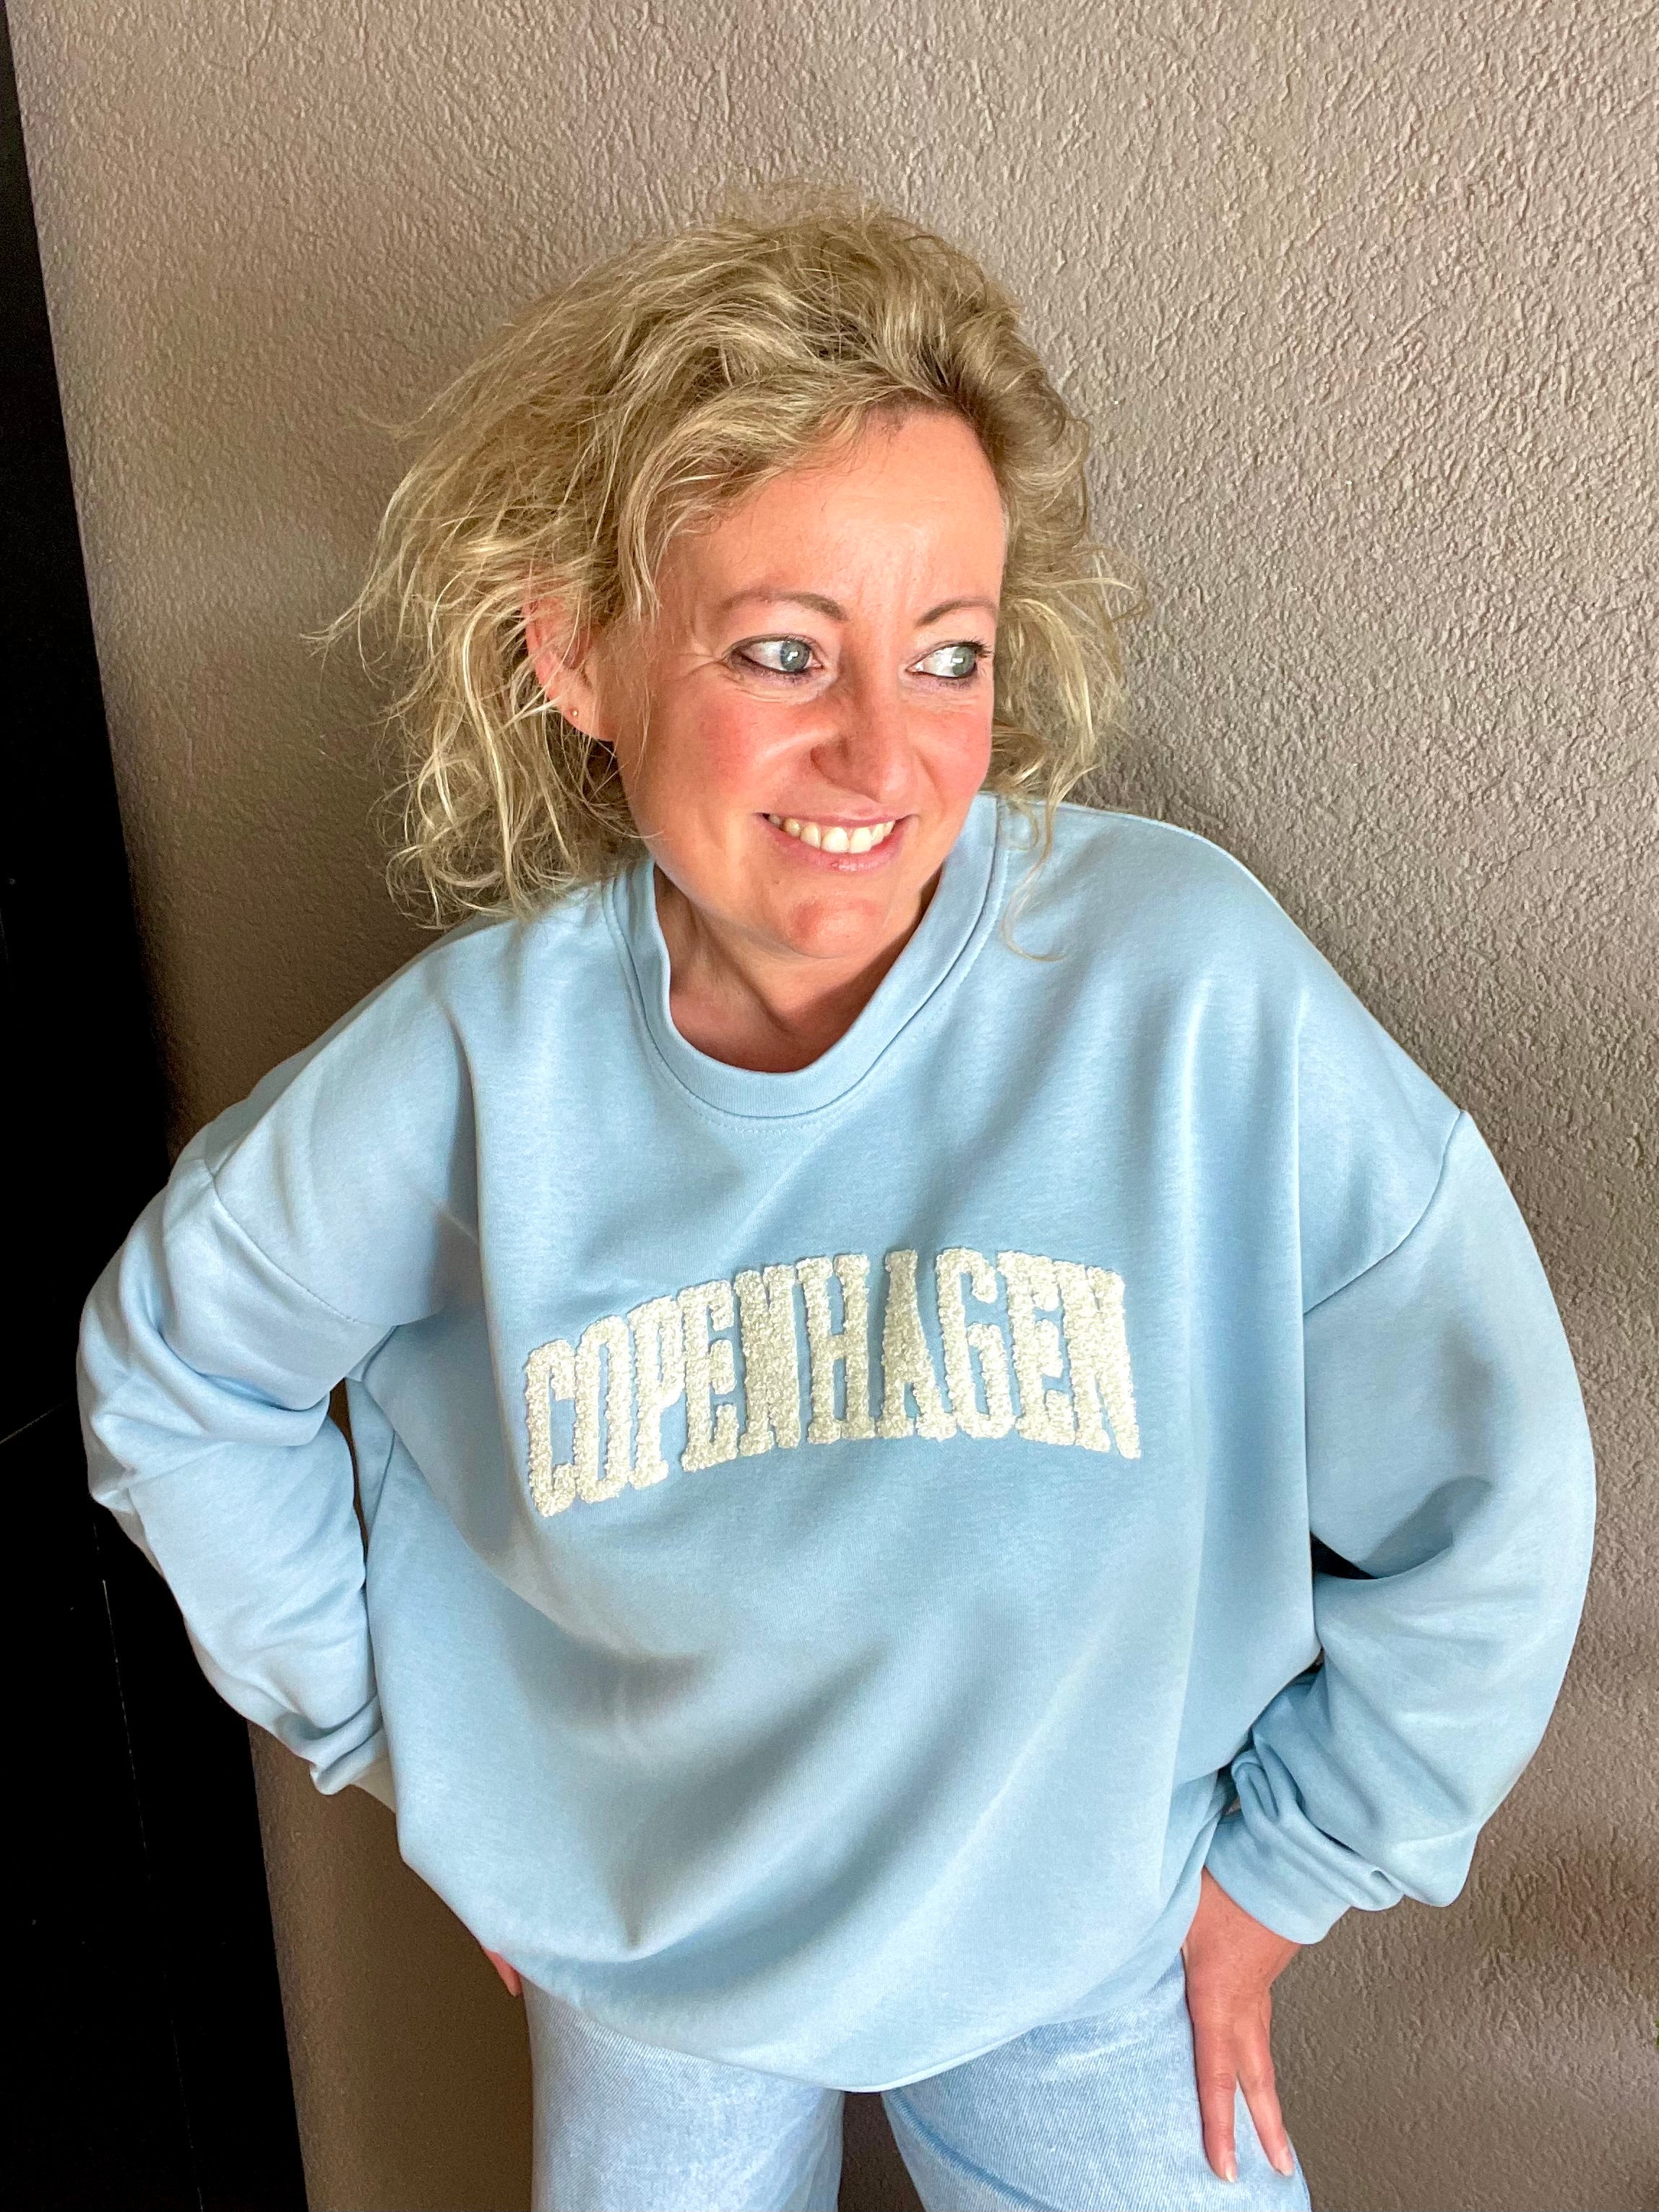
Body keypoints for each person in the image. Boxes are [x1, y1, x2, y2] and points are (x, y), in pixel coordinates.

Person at [77, 198, 1595, 2212]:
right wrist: (406, 1747)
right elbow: (179, 1373)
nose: (883, 751)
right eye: (784, 650)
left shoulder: (1180, 989)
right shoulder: (473, 1073)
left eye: (947, 653)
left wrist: (1300, 1861)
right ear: (578, 654)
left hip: (1093, 1945)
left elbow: (1495, 1464)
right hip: (650, 1966)